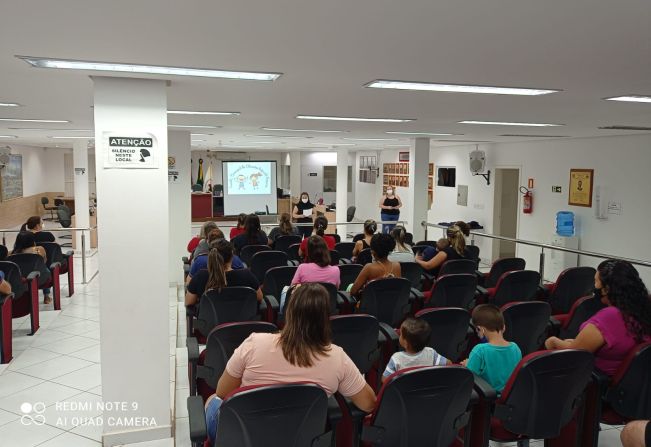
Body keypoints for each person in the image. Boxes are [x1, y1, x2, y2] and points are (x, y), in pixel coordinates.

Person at [204, 283, 376, 444]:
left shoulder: (254, 343)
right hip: (300, 439)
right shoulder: (337, 357)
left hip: (244, 439)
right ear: (325, 319)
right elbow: (368, 403)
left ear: (289, 313)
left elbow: (223, 391)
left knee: (212, 400)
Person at [545, 259, 651, 375]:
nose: (593, 286)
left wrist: (554, 341)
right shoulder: (642, 309)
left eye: (596, 281)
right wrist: (575, 342)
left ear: (607, 289)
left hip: (591, 381)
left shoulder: (610, 316)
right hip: (630, 382)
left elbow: (575, 354)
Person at [462, 304, 522, 392]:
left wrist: (466, 365)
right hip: (509, 397)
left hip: (487, 398)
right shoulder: (515, 348)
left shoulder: (480, 350)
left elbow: (468, 379)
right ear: (504, 327)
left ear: (480, 329)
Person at [185, 240, 262, 306]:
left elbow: (188, 302)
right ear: (232, 256)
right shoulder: (246, 275)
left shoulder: (200, 277)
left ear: (211, 256)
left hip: (211, 323)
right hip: (242, 322)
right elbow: (259, 297)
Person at [383, 318, 447, 382]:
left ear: (405, 343)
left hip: (404, 390)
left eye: (401, 334)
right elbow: (448, 363)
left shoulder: (396, 358)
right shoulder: (431, 352)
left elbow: (385, 379)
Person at [350, 233, 402, 299]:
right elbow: (398, 290)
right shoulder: (397, 266)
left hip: (371, 307)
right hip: (392, 306)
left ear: (373, 252)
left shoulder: (369, 267)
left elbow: (353, 291)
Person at [12, 232, 52, 305]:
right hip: (40, 278)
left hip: (21, 279)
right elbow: (44, 261)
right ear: (32, 240)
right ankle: (46, 296)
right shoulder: (39, 249)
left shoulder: (12, 253)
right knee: (45, 269)